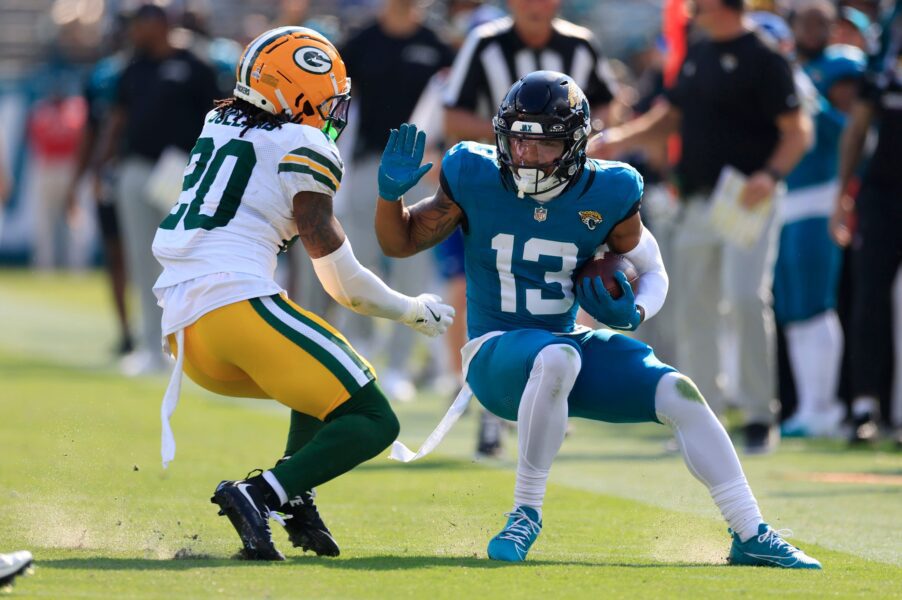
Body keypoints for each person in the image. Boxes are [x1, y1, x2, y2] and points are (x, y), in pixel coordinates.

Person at [374, 71, 820, 568]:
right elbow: (401, 241)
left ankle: (750, 531)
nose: (526, 155)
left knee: (682, 394)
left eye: (543, 145)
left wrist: (634, 309)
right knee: (558, 354)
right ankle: (525, 514)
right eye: (518, 140)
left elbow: (652, 269)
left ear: (576, 145)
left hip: (561, 352)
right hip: (495, 354)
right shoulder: (473, 173)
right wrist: (389, 198)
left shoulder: (609, 189)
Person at [151, 27, 453, 561]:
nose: (334, 111)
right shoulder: (303, 143)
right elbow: (343, 284)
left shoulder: (218, 122)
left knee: (323, 384)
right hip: (235, 306)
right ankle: (260, 494)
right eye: (329, 96)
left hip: (184, 334)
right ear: (300, 91)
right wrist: (411, 309)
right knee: (374, 417)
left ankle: (295, 496)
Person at [592, 0, 812, 453]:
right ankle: (701, 417)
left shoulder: (764, 57)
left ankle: (756, 416)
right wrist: (620, 140)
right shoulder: (697, 52)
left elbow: (797, 131)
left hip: (747, 200)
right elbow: (670, 117)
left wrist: (769, 175)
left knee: (746, 298)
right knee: (693, 308)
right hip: (695, 199)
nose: (691, 8)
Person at [442, 0, 619, 457]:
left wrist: (568, 150)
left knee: (569, 285)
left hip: (565, 190)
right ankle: (488, 409)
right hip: (502, 189)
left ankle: (557, 390)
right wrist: (526, 139)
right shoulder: (486, 44)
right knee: (487, 292)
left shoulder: (581, 44)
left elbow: (607, 108)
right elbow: (453, 116)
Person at [334, 0, 455, 400]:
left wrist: (441, 151)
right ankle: (362, 347)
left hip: (421, 170)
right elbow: (334, 105)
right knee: (359, 260)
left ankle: (400, 365)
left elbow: (452, 106)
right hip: (367, 164)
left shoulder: (437, 43)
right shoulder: (360, 42)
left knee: (412, 269)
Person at [99, 4, 221, 375]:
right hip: (136, 167)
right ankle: (151, 347)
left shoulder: (195, 64)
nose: (135, 33)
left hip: (181, 170)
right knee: (141, 258)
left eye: (141, 25)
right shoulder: (132, 68)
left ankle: (190, 346)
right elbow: (117, 119)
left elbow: (214, 119)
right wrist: (101, 166)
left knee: (184, 259)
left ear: (160, 25)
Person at [768, 5, 867, 437]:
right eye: (805, 22)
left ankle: (824, 407)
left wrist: (808, 94)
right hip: (785, 198)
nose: (813, 31)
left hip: (822, 193)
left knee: (815, 303)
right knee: (791, 307)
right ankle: (809, 406)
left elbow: (850, 128)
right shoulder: (786, 69)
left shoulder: (841, 65)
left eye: (819, 22)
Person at [831, 0, 902, 444]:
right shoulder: (882, 65)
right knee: (869, 296)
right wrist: (843, 194)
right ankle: (865, 404)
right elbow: (856, 129)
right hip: (882, 193)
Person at [66, 28, 134, 355]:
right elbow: (92, 131)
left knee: (140, 256)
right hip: (113, 172)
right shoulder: (105, 75)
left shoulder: (152, 67)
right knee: (117, 254)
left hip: (140, 169)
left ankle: (145, 331)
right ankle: (128, 331)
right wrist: (82, 177)